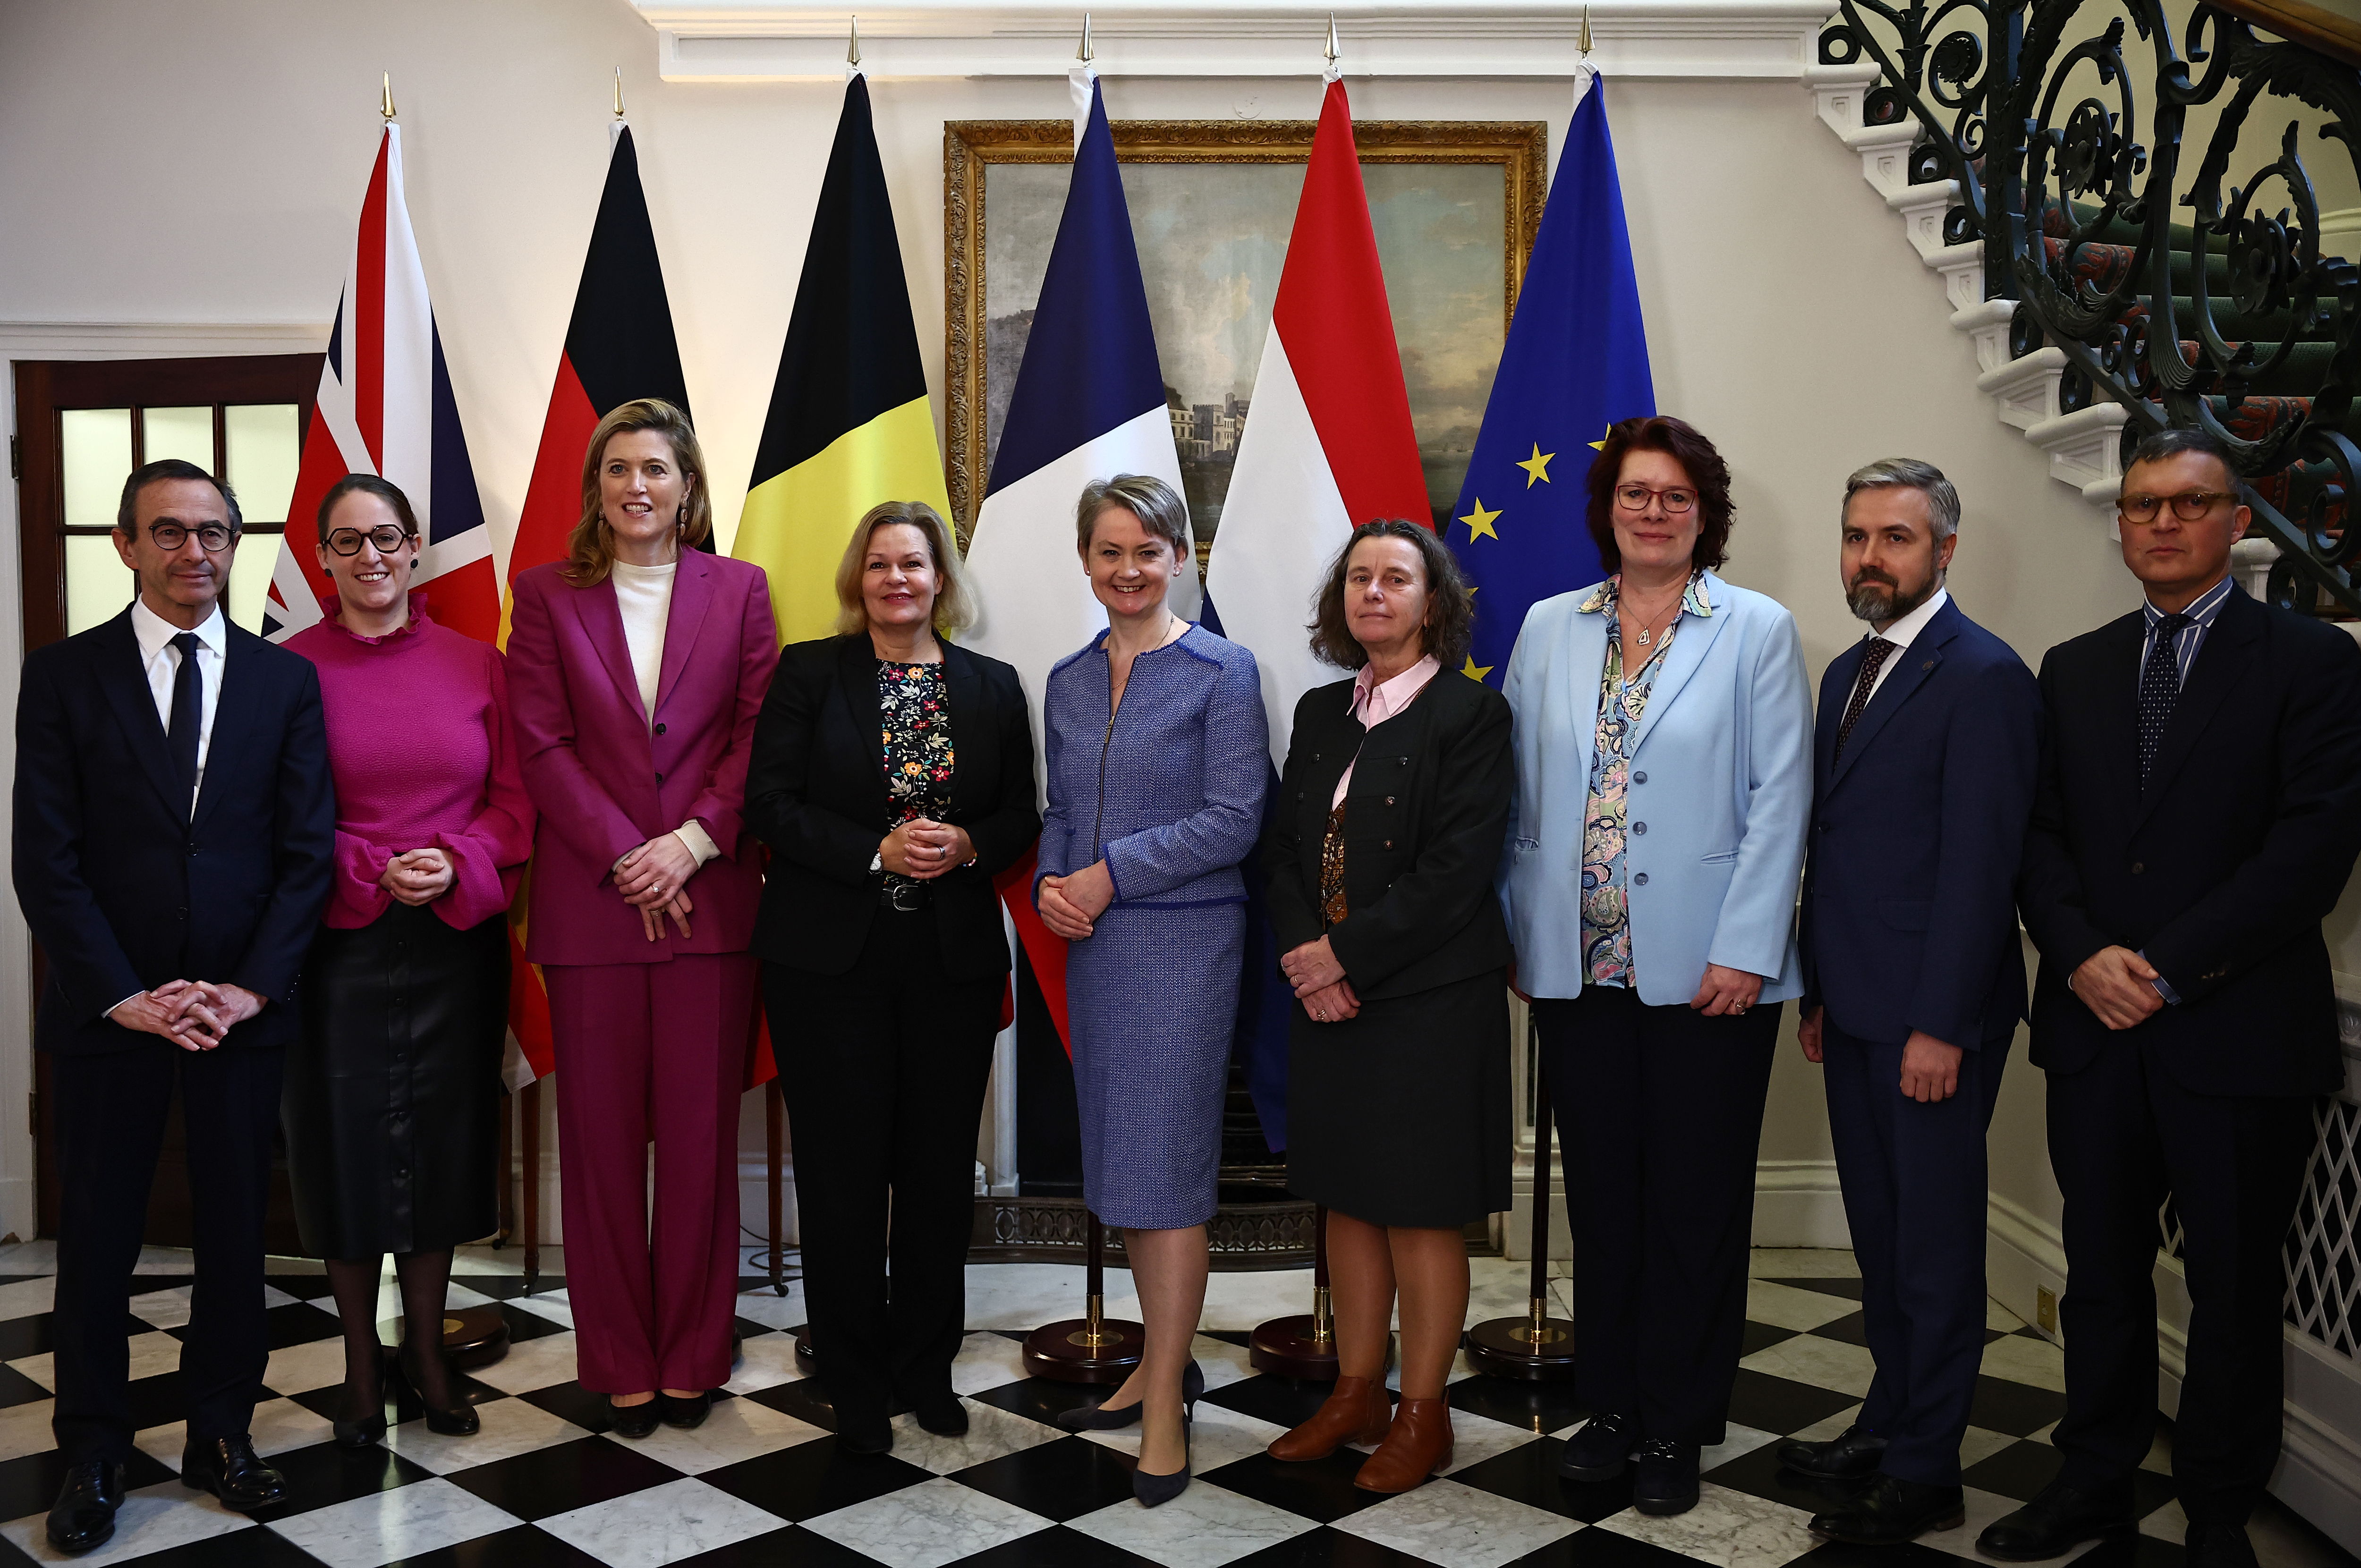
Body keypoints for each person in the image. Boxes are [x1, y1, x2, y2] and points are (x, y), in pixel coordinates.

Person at [1990, 427, 2361, 1568]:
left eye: (2188, 504)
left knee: (2234, 1287)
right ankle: (2095, 1474)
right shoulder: (2074, 665)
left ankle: (2213, 1506)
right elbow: (2037, 837)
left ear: (2237, 520)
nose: (2161, 521)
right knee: (2098, 1274)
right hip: (2093, 1029)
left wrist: (2161, 965)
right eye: (2143, 503)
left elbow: (2312, 849)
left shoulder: (2310, 661)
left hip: (2236, 1029)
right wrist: (2083, 951)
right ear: (2121, 523)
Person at [13, 459, 334, 1552]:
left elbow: (306, 855)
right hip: (114, 1017)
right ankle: (95, 1448)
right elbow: (46, 862)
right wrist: (125, 994)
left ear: (235, 546)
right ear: (127, 545)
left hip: (240, 1015)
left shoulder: (283, 683)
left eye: (215, 532)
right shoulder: (61, 677)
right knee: (98, 1236)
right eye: (171, 531)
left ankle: (220, 1432)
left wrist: (245, 987)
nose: (195, 551)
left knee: (237, 1235)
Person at [1499, 415, 1812, 1517]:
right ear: (1607, 507)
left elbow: (1782, 797)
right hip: (1576, 971)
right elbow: (1517, 793)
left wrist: (1747, 945)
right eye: (1635, 492)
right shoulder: (1548, 627)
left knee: (1694, 1203)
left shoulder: (1755, 628)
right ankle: (1614, 1405)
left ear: (1703, 512)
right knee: (1606, 1200)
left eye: (1674, 495)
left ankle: (1678, 1419)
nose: (1652, 510)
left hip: (1709, 975)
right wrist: (1514, 929)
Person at [506, 398, 779, 1437]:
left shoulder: (742, 590)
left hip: (709, 902)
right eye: (617, 468)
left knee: (704, 1142)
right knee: (603, 1146)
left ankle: (695, 1351)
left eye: (656, 469)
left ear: (687, 485)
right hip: (595, 907)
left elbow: (756, 732)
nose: (636, 486)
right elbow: (539, 741)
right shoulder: (544, 595)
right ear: (595, 488)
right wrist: (631, 852)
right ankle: (618, 1352)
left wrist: (691, 844)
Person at [746, 501, 1038, 1454]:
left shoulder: (992, 687)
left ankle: (926, 1365)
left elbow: (1021, 818)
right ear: (857, 578)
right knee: (839, 1176)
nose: (897, 580)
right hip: (828, 965)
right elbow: (770, 806)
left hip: (947, 965)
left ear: (941, 578)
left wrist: (967, 842)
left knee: (936, 1177)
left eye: (913, 564)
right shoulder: (809, 673)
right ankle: (851, 1371)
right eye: (879, 564)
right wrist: (874, 849)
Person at [1784, 459, 2040, 1544]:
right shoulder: (1849, 668)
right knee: (1882, 1237)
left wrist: (1940, 1022)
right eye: (1855, 537)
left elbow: (1982, 869)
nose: (1869, 558)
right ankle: (1888, 1419)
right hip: (1854, 1006)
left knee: (1933, 1247)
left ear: (1943, 550)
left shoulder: (1981, 674)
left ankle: (1930, 1462)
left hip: (1932, 1019)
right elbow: (1834, 848)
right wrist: (1818, 989)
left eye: (1894, 537)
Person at [1260, 520, 1513, 1493]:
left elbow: (1456, 874)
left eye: (1395, 577)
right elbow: (1284, 849)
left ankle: (1422, 1410)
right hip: (1327, 999)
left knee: (1419, 1209)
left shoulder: (1470, 715)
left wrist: (1341, 957)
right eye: (1359, 577)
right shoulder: (1323, 712)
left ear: (1431, 601)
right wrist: (1304, 958)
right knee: (1348, 1202)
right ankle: (1355, 1391)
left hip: (1426, 1001)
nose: (1374, 592)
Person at [283, 474, 534, 1448]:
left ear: (417, 546)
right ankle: (357, 1363)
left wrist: (457, 858)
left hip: (454, 941)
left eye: (387, 537)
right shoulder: (287, 670)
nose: (371, 557)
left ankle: (427, 1353)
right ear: (321, 558)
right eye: (348, 543)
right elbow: (275, 813)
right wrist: (370, 863)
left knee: (439, 1150)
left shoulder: (482, 666)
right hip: (335, 940)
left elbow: (516, 803)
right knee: (343, 1150)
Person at [1036, 475, 1266, 1507]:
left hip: (1181, 946)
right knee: (1127, 1165)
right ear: (1085, 561)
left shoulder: (1223, 669)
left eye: (1148, 550)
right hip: (1093, 948)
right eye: (1109, 552)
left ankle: (1167, 1396)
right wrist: (1051, 880)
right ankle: (1153, 1362)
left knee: (1168, 1170)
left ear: (1180, 556)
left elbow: (1234, 819)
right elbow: (1057, 809)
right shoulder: (1067, 679)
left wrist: (1109, 872)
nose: (1127, 570)